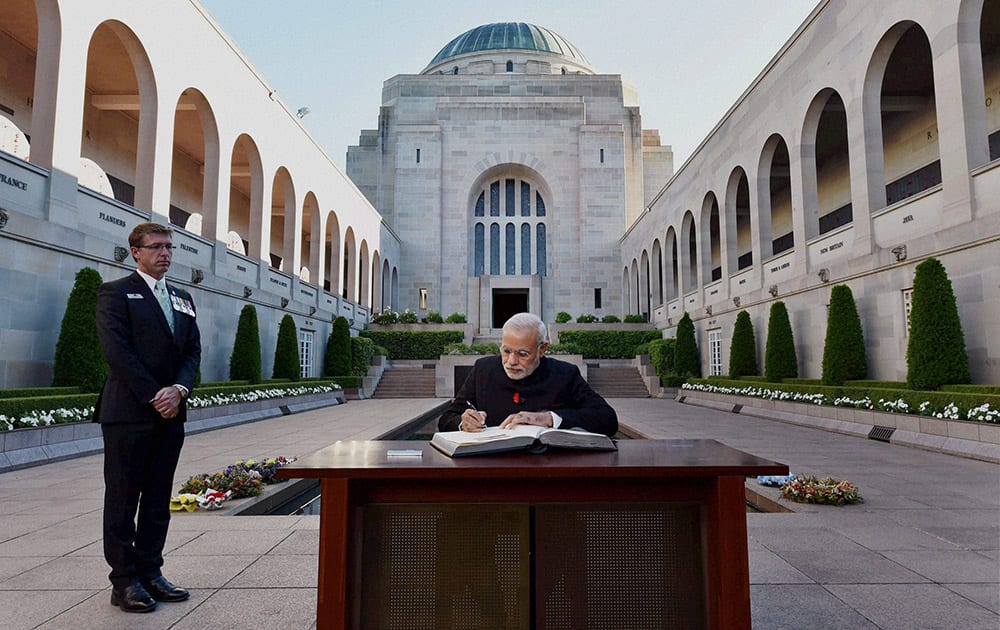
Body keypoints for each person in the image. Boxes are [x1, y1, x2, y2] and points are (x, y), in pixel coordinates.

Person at [94, 222, 201, 613]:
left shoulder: (182, 297)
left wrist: (180, 391)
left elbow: (192, 353)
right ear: (135, 252)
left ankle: (151, 571)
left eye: (169, 247)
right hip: (128, 413)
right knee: (123, 498)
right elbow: (117, 351)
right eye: (156, 247)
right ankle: (124, 581)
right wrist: (156, 394)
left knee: (157, 498)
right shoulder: (116, 293)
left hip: (171, 415)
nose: (165, 254)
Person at [438, 312, 618, 436]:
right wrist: (464, 423)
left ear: (542, 349)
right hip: (491, 469)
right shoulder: (483, 369)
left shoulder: (565, 374)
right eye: (506, 351)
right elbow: (446, 419)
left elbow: (607, 419)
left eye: (523, 354)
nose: (511, 361)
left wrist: (549, 418)